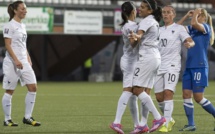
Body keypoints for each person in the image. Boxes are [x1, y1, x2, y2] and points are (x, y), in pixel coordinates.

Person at [153, 5, 195, 132]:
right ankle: (169, 118)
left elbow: (190, 40)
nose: (165, 14)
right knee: (159, 97)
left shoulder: (179, 28)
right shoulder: (157, 29)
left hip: (172, 65)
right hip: (159, 65)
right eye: (163, 12)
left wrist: (190, 44)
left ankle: (165, 124)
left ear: (173, 14)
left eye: (168, 12)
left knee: (168, 93)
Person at [128, 0, 166, 133]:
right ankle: (143, 124)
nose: (139, 9)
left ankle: (158, 118)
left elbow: (139, 35)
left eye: (143, 7)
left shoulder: (146, 21)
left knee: (136, 90)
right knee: (146, 92)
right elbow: (135, 41)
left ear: (150, 10)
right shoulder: (154, 21)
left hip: (147, 57)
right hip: (155, 57)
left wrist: (136, 36)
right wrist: (134, 38)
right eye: (140, 6)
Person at [2, 1, 41, 126]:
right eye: (23, 9)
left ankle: (27, 117)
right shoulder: (9, 25)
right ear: (15, 10)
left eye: (25, 9)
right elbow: (7, 45)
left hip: (24, 61)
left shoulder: (23, 26)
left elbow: (22, 45)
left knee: (33, 87)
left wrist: (27, 57)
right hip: (12, 62)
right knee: (9, 90)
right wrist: (16, 60)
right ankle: (7, 119)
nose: (25, 11)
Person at [177, 8, 215, 131]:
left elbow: (194, 23)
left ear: (203, 17)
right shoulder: (192, 29)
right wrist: (186, 16)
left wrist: (197, 13)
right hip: (189, 66)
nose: (197, 17)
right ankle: (191, 124)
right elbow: (176, 28)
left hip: (199, 65)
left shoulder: (205, 28)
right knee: (186, 94)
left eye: (199, 16)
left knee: (198, 97)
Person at [109, 2, 140, 134]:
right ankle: (116, 122)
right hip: (130, 62)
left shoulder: (127, 25)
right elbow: (134, 45)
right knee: (128, 91)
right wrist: (141, 36)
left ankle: (137, 125)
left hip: (129, 60)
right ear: (133, 11)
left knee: (133, 97)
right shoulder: (132, 26)